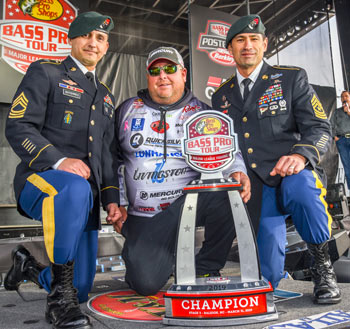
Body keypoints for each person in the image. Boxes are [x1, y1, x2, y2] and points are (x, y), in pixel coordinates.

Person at [212, 15, 341, 304]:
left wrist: (300, 154)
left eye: (254, 39)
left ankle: (323, 269)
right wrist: (235, 172)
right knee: (266, 282)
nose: (248, 46)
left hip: (292, 174)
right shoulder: (221, 96)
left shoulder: (291, 77)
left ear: (264, 44)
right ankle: (273, 275)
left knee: (303, 190)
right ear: (229, 49)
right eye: (240, 41)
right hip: (255, 187)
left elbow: (320, 127)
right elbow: (226, 147)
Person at [4, 11, 121, 329]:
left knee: (80, 288)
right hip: (41, 181)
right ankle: (58, 304)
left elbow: (107, 155)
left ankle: (28, 268)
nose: (92, 43)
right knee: (73, 185)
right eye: (86, 35)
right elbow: (18, 127)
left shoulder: (107, 96)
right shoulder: (46, 73)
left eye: (99, 38)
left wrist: (111, 198)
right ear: (72, 39)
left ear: (106, 46)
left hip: (85, 198)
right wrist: (58, 160)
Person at [113, 46, 251, 296]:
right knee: (144, 284)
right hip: (145, 216)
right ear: (148, 76)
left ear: (183, 74)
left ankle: (206, 266)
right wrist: (117, 201)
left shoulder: (201, 112)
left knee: (229, 192)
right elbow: (112, 159)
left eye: (169, 69)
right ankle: (156, 256)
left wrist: (237, 171)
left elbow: (228, 150)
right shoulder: (127, 110)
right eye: (155, 70)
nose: (162, 75)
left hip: (188, 204)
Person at [330, 90, 350, 189]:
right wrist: (335, 137)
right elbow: (330, 125)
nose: (344, 98)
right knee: (347, 166)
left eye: (346, 96)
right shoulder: (337, 112)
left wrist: (348, 112)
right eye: (342, 97)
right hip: (342, 141)